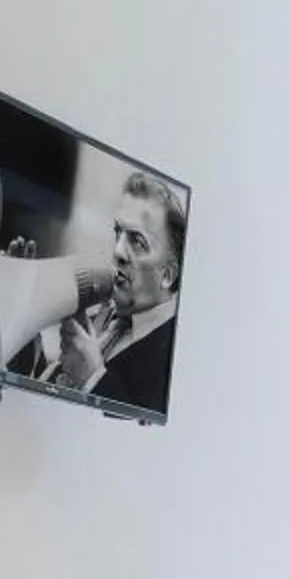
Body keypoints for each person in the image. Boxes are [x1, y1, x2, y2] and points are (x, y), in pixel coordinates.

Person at [40, 168, 184, 413]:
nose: (117, 251)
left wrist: (92, 378)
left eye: (137, 241)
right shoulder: (107, 315)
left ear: (167, 275)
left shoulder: (174, 357)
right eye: (118, 233)